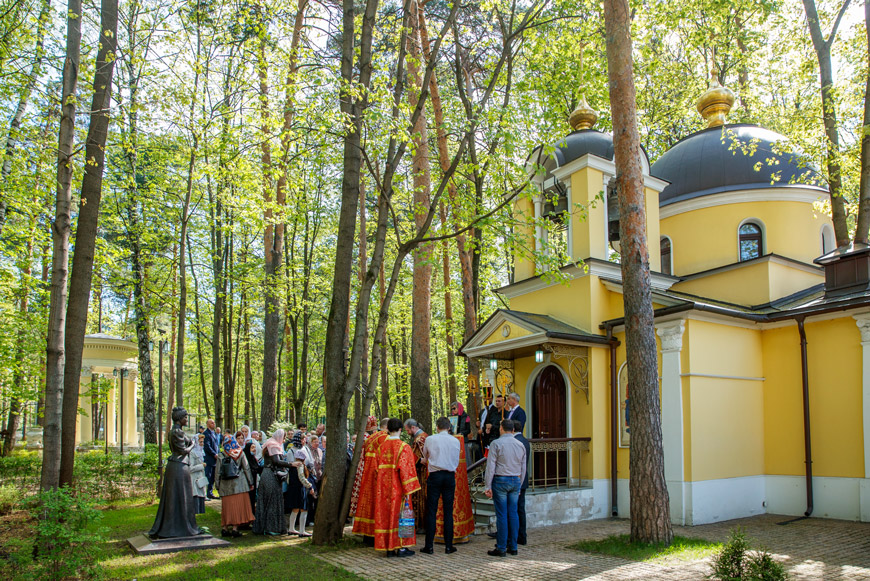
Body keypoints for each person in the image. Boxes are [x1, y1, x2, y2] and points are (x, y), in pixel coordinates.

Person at [149, 407, 201, 538]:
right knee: (179, 496)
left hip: (178, 466)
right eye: (185, 417)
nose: (186, 419)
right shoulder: (176, 432)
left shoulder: (177, 432)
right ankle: (177, 526)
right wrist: (193, 445)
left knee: (179, 496)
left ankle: (180, 523)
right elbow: (183, 451)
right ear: (179, 419)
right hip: (179, 466)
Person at [373, 418, 421, 557]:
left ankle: (388, 547)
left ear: (387, 429)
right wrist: (408, 490)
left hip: (383, 489)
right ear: (400, 429)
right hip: (398, 489)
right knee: (402, 516)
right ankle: (401, 547)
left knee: (386, 516)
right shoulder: (403, 447)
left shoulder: (381, 446)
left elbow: (376, 469)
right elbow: (406, 471)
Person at [484, 419, 527, 557]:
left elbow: (490, 466)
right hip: (515, 479)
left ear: (501, 429)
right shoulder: (520, 445)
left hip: (501, 479)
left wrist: (487, 485)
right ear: (513, 430)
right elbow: (523, 467)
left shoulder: (496, 443)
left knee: (502, 514)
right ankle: (513, 546)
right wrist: (520, 483)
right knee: (513, 514)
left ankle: (502, 547)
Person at [421, 417, 460, 555]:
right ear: (449, 427)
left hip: (435, 475)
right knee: (448, 511)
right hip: (449, 476)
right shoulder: (455, 441)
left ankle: (429, 546)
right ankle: (449, 546)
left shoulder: (430, 439)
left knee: (432, 510)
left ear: (437, 427)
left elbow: (425, 455)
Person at [351, 418, 389, 544]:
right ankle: (375, 535)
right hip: (376, 473)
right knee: (376, 503)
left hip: (366, 473)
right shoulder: (383, 438)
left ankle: (367, 535)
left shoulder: (370, 438)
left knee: (368, 503)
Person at [253, 429, 292, 536]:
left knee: (269, 500)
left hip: (268, 474)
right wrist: (291, 464)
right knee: (272, 500)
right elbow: (276, 461)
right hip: (270, 475)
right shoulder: (273, 445)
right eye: (283, 437)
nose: (284, 440)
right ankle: (271, 527)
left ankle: (266, 527)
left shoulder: (271, 444)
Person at [216, 431, 255, 537]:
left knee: (227, 508)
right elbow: (246, 468)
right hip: (239, 485)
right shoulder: (240, 453)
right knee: (238, 507)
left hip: (225, 486)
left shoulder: (221, 455)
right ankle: (235, 528)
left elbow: (218, 472)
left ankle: (225, 528)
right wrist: (250, 482)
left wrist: (217, 485)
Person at [404, 419, 428, 533]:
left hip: (421, 474)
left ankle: (421, 525)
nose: (408, 432)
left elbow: (420, 459)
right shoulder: (423, 436)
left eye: (408, 430)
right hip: (422, 474)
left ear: (413, 428)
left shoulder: (420, 439)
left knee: (420, 498)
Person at [285, 449, 314, 536]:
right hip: (300, 489)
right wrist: (309, 486)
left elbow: (288, 479)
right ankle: (302, 530)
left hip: (292, 489)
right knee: (304, 509)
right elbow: (302, 478)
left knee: (295, 509)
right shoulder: (300, 466)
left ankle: (291, 528)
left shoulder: (292, 466)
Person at [513, 419, 530, 546]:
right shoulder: (525, 440)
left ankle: (519, 535)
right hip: (522, 479)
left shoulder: (516, 442)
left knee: (516, 509)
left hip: (516, 478)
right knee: (520, 509)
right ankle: (522, 535)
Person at [189, 433, 207, 515]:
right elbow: (190, 468)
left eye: (203, 442)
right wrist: (201, 466)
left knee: (201, 495)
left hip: (200, 479)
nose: (202, 444)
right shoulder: (192, 453)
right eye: (200, 442)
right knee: (196, 496)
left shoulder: (201, 452)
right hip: (195, 479)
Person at [203, 419, 220, 500]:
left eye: (214, 422)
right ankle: (206, 493)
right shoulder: (206, 434)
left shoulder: (215, 434)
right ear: (208, 424)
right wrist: (214, 454)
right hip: (209, 459)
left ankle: (210, 492)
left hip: (215, 460)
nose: (213, 424)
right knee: (208, 475)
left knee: (213, 476)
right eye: (211, 423)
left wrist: (218, 453)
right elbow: (207, 446)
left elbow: (216, 445)